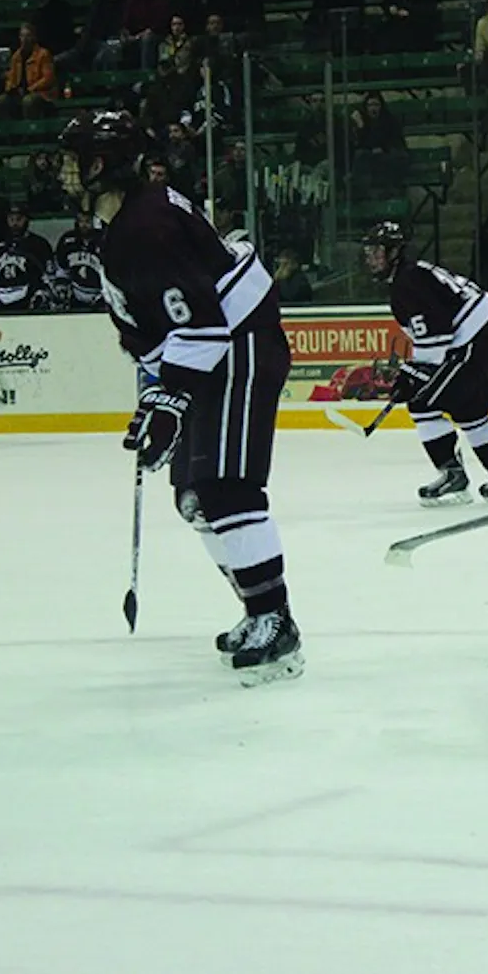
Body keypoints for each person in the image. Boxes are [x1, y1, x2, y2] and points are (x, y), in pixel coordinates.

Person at [57, 110, 302, 687]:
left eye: (75, 160)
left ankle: (275, 618)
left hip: (237, 347)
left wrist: (170, 400)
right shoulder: (128, 222)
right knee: (195, 497)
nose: (65, 171)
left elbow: (203, 326)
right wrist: (156, 396)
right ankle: (257, 606)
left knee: (225, 488)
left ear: (102, 165)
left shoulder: (147, 226)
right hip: (212, 351)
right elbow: (160, 327)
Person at [361, 221, 488, 505]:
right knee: (471, 413)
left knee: (422, 402)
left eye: (377, 251)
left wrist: (413, 376)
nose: (371, 258)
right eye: (369, 251)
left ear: (395, 251)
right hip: (486, 339)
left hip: (474, 344)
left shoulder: (407, 283)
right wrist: (414, 371)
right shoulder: (414, 274)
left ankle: (453, 476)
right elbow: (436, 334)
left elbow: (438, 334)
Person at [50, 211, 106, 310]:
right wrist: (62, 286)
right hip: (75, 293)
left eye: (87, 221)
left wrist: (105, 293)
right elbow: (61, 268)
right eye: (81, 221)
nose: (84, 225)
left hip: (101, 294)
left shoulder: (106, 240)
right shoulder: (67, 240)